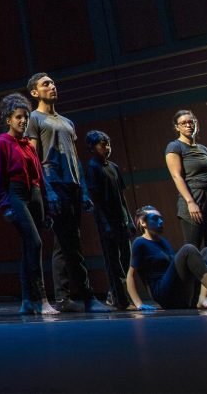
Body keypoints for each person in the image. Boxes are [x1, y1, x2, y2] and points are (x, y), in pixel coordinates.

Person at [24, 72, 109, 312]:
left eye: (53, 82)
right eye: (46, 84)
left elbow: (74, 156)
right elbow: (33, 157)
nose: (52, 86)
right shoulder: (34, 119)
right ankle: (83, 296)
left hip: (72, 184)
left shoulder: (67, 122)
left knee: (69, 242)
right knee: (67, 241)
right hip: (54, 182)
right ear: (34, 92)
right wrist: (46, 189)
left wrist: (83, 191)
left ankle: (67, 297)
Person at [0, 94, 57, 315]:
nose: (23, 121)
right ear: (8, 119)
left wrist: (47, 209)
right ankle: (42, 299)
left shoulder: (29, 144)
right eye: (18, 117)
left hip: (35, 195)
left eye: (26, 117)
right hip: (16, 194)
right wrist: (5, 205)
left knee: (30, 247)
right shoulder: (1, 142)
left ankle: (27, 301)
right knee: (35, 244)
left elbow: (39, 176)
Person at [126, 206, 207, 311]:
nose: (161, 221)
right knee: (188, 249)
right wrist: (138, 303)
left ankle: (202, 299)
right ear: (143, 223)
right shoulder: (140, 242)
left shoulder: (163, 242)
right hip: (164, 294)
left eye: (161, 218)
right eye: (155, 218)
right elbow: (130, 276)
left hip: (181, 293)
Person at [165, 109, 207, 290]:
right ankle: (191, 295)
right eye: (184, 123)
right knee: (193, 251)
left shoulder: (203, 149)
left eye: (191, 121)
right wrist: (190, 202)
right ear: (176, 127)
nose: (188, 125)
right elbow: (177, 177)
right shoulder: (175, 147)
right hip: (194, 201)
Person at [83, 130, 136, 310]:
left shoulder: (113, 167)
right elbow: (96, 199)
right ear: (92, 147)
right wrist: (105, 223)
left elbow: (121, 196)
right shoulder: (93, 167)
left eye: (108, 143)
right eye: (102, 144)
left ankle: (118, 295)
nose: (107, 147)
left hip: (120, 219)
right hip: (107, 221)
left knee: (127, 259)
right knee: (113, 262)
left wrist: (129, 219)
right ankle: (121, 300)